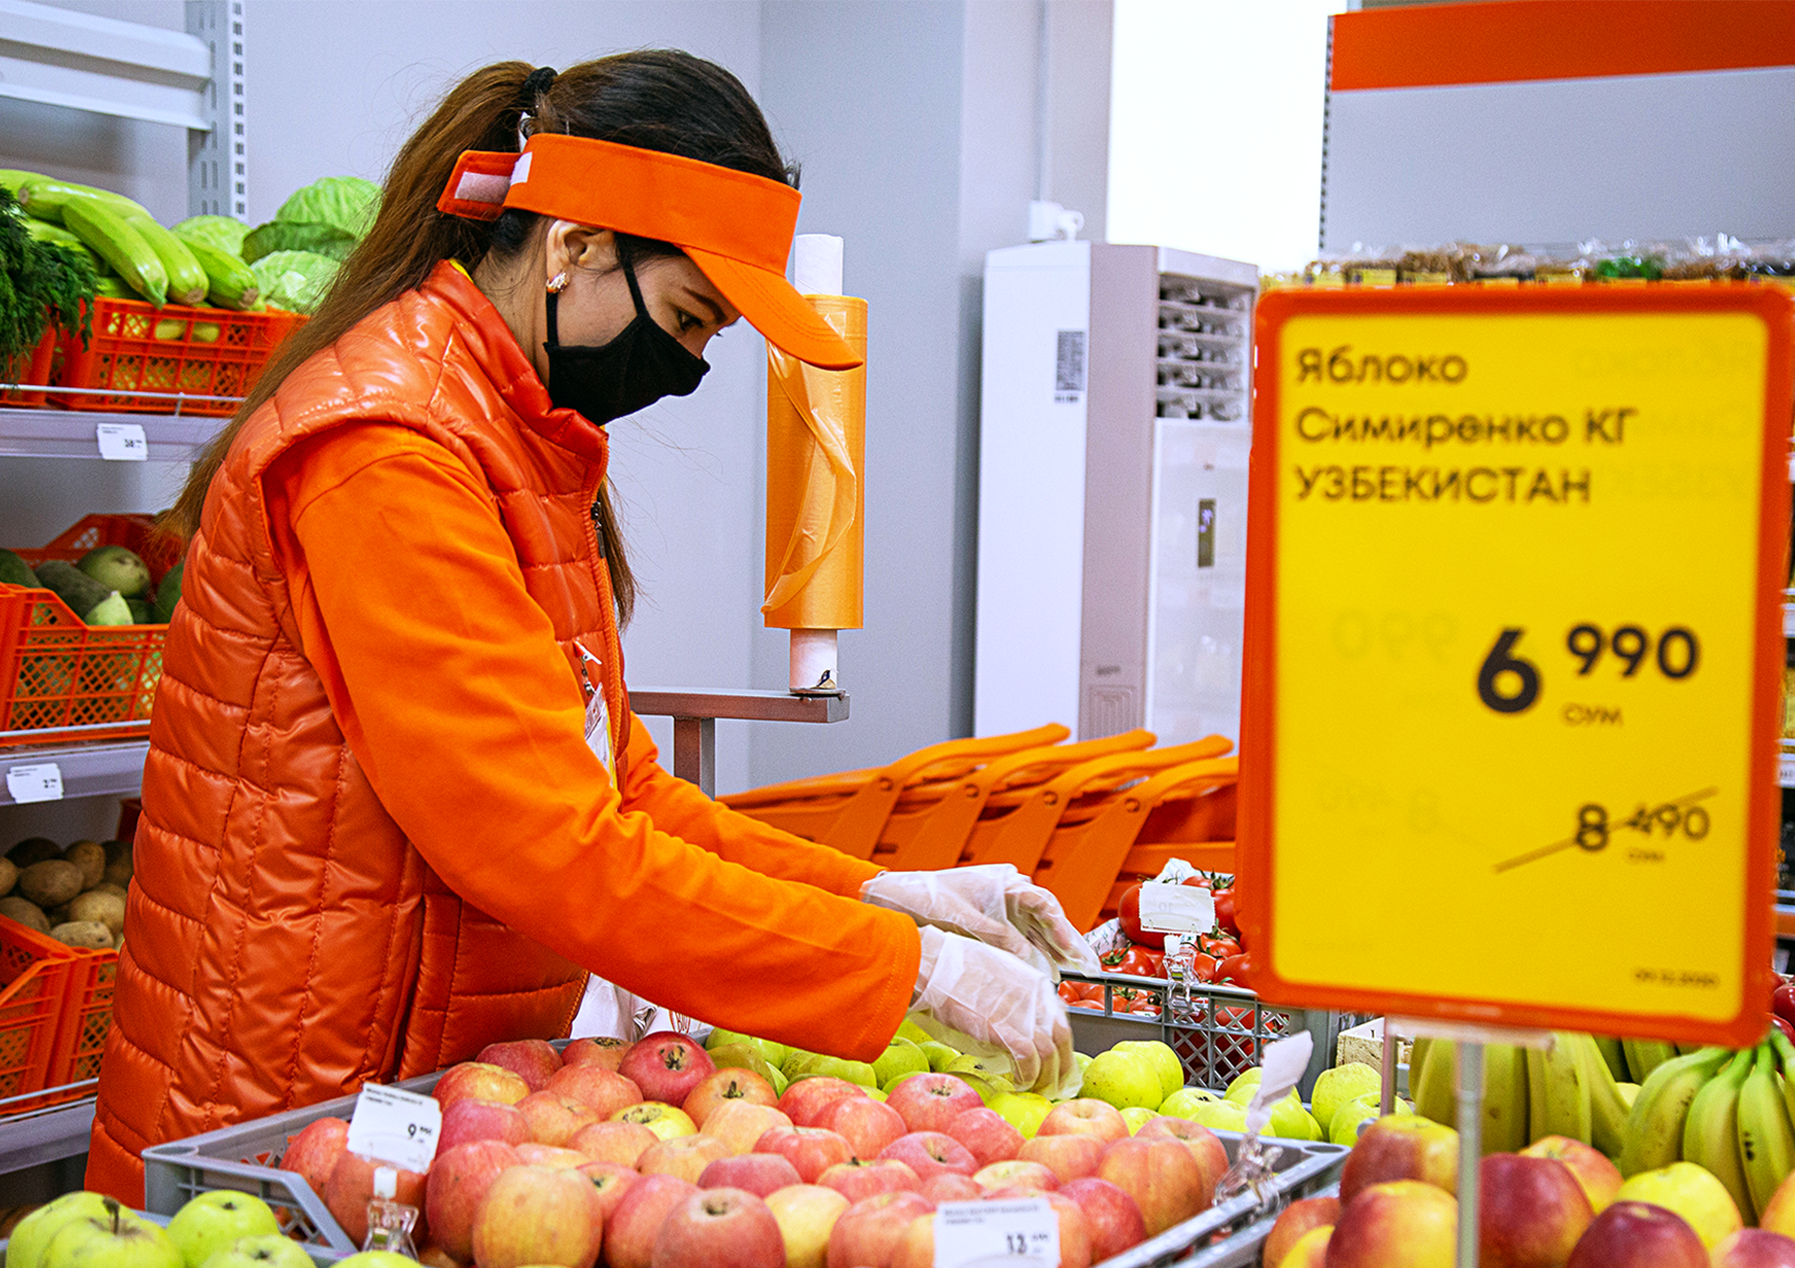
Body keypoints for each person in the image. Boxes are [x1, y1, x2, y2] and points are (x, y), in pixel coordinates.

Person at [86, 52, 1088, 1204]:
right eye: (687, 317)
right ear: (572, 246)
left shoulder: (518, 445)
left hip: (428, 1102)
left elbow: (620, 796)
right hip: (287, 1119)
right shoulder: (388, 456)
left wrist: (880, 898)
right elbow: (553, 848)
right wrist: (900, 970)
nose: (695, 365)